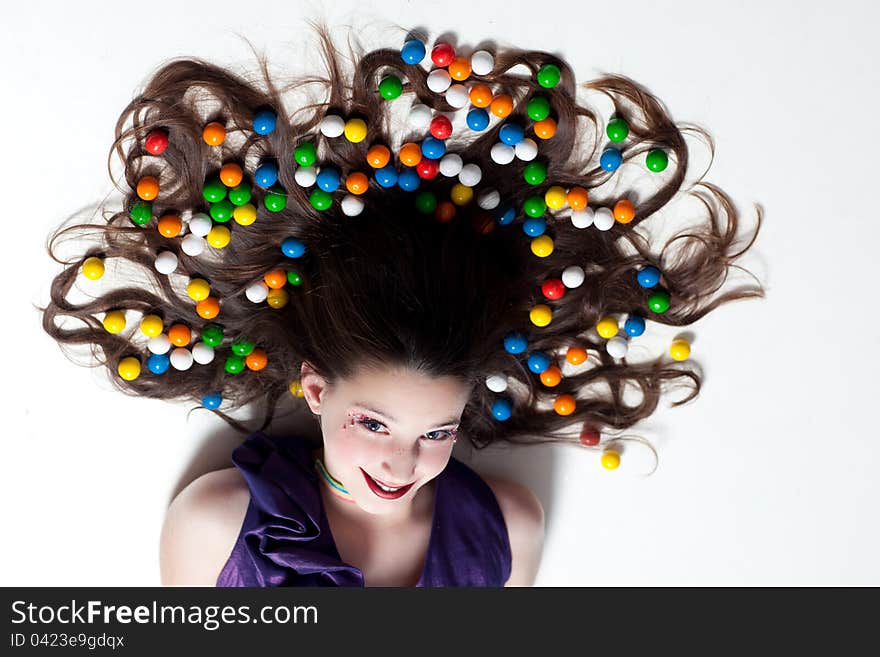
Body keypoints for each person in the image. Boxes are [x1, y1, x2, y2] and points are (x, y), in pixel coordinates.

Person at [39, 19, 765, 587]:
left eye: (436, 433)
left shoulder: (508, 530)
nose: (401, 462)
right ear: (316, 389)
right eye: (374, 422)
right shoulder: (219, 525)